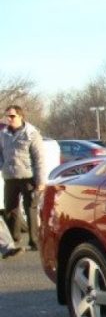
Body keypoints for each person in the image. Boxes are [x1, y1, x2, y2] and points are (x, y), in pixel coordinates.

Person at [0, 105, 45, 251]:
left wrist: (40, 182)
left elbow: (39, 159)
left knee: (30, 207)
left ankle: (34, 240)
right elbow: (1, 155)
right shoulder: (3, 134)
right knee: (10, 208)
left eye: (12, 116)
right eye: (7, 116)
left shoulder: (31, 134)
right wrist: (3, 167)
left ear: (21, 117)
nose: (9, 119)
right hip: (10, 177)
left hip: (28, 177)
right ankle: (14, 238)